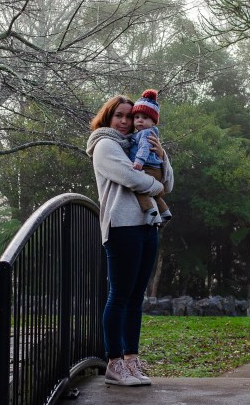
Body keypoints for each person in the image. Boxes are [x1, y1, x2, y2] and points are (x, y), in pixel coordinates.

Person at [86, 95, 174, 386]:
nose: (125, 122)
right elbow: (131, 178)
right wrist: (157, 185)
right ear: (108, 118)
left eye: (129, 116)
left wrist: (162, 156)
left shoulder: (140, 143)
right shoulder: (105, 145)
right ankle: (114, 363)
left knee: (136, 298)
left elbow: (169, 183)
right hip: (122, 226)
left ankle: (131, 359)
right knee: (120, 296)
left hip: (148, 225)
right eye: (119, 116)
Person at [128, 89, 172, 225]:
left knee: (140, 190)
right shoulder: (147, 132)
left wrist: (138, 162)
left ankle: (150, 212)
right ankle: (165, 212)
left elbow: (144, 149)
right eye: (136, 117)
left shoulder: (146, 133)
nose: (139, 120)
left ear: (153, 122)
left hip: (147, 167)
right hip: (156, 169)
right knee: (153, 194)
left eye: (145, 118)